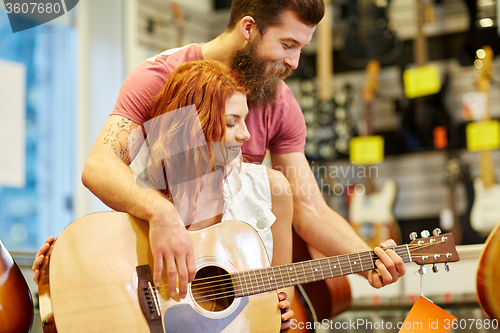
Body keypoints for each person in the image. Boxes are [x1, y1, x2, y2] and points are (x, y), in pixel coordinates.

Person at [62, 0, 406, 305]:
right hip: (165, 284)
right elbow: (100, 166)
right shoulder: (160, 78)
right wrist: (160, 214)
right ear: (248, 28)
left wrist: (368, 259)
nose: (295, 62)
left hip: (230, 290)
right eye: (287, 44)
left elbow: (309, 208)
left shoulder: (279, 101)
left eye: (301, 48)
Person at [33, 60, 295, 331]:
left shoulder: (271, 190)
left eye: (245, 120)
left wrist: (282, 318)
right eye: (231, 123)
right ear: (195, 128)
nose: (246, 134)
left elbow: (280, 291)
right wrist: (57, 276)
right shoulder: (142, 198)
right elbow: (106, 286)